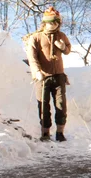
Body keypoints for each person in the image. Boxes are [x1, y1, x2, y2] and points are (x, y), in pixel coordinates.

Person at [26, 7, 72, 142]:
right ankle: (45, 132)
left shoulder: (61, 36)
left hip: (59, 76)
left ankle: (60, 132)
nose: (54, 25)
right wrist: (37, 71)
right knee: (43, 105)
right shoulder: (36, 37)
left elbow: (68, 50)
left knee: (61, 105)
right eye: (51, 22)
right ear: (45, 23)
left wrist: (63, 47)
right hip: (43, 77)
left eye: (56, 22)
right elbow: (32, 57)